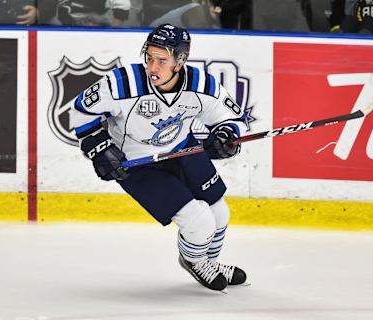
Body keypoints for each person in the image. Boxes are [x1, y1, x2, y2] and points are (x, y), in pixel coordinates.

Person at [69, 23, 247, 292]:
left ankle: (208, 260)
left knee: (219, 212)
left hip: (183, 150)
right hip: (138, 165)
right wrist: (97, 146)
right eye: (149, 57)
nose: (153, 67)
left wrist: (226, 137)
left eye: (162, 60)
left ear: (180, 61)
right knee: (199, 221)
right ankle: (194, 260)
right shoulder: (123, 83)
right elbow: (81, 110)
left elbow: (231, 118)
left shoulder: (202, 85)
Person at [56, 0, 131, 27]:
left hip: (100, 32)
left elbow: (123, 4)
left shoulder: (121, 2)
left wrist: (102, 21)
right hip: (69, 27)